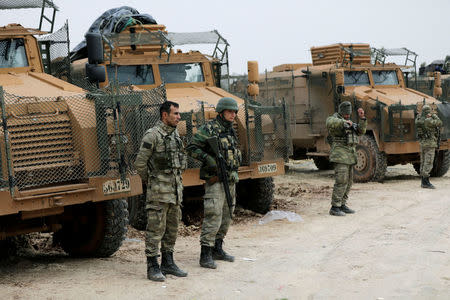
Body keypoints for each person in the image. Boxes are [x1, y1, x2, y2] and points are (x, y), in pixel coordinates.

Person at [134, 101, 188, 281]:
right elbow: (140, 164)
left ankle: (168, 263)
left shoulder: (175, 136)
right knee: (155, 230)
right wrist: (152, 181)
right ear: (165, 115)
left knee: (172, 229)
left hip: (175, 192)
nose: (179, 117)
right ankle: (152, 266)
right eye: (175, 114)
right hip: (158, 192)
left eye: (179, 114)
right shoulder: (152, 135)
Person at [187, 97, 242, 269]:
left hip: (230, 179)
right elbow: (191, 148)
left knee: (227, 214)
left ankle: (218, 248)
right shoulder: (209, 129)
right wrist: (207, 158)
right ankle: (205, 254)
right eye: (229, 111)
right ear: (221, 112)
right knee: (213, 215)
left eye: (234, 112)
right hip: (216, 180)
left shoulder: (230, 129)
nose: (233, 115)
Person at [326, 101, 367, 216]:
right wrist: (344, 122)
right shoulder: (335, 119)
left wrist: (362, 118)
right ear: (341, 112)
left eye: (349, 115)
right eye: (345, 115)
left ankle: (342, 204)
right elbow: (330, 122)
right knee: (341, 181)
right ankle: (335, 207)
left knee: (348, 182)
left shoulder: (350, 122)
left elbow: (361, 131)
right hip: (340, 155)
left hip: (349, 155)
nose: (348, 116)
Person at [415, 104, 443, 189]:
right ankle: (425, 182)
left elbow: (419, 116)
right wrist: (433, 115)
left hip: (423, 144)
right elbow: (439, 122)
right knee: (429, 162)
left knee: (423, 161)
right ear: (428, 112)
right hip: (430, 144)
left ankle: (423, 181)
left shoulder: (418, 120)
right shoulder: (428, 121)